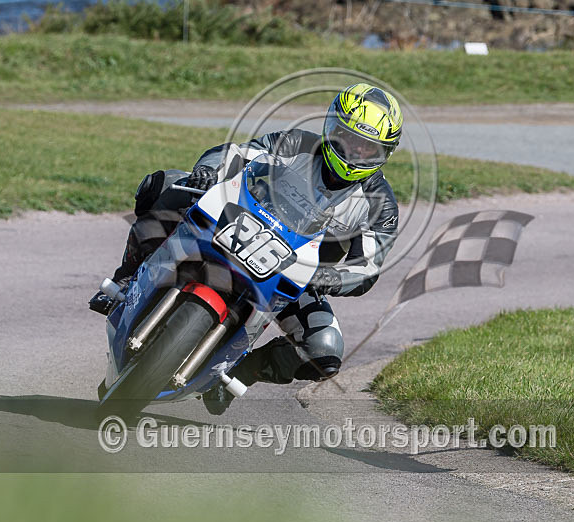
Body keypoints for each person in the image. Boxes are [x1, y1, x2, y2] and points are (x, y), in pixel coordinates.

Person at [90, 83, 403, 414]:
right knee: (166, 184)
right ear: (331, 128)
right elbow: (236, 153)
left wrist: (331, 278)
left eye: (368, 148)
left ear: (386, 153)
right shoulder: (296, 144)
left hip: (293, 277)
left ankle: (242, 371)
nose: (355, 152)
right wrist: (207, 173)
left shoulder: (380, 205)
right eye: (349, 139)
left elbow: (368, 266)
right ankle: (125, 280)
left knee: (325, 349)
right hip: (235, 227)